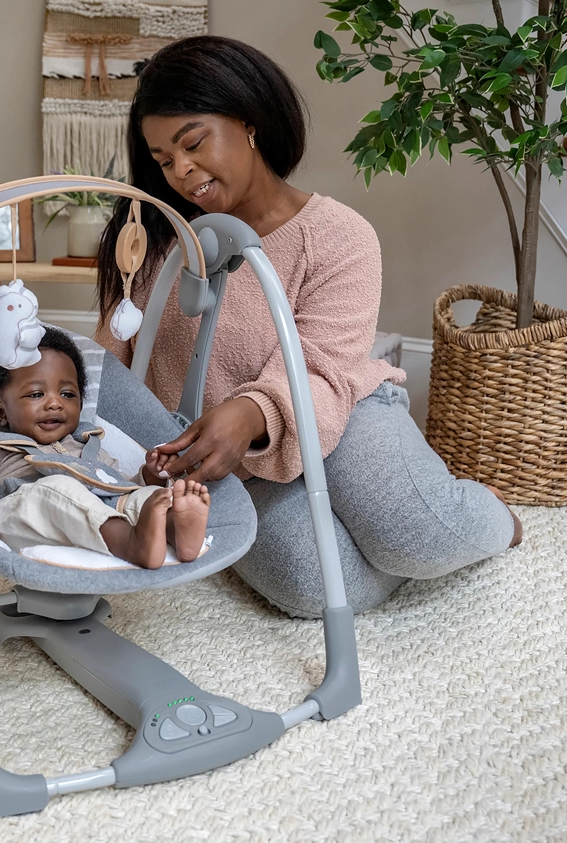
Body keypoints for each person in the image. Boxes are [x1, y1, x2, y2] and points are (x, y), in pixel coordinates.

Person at [93, 35, 522, 617]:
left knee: (420, 534)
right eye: (165, 160)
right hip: (229, 465)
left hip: (340, 411)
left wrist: (253, 413)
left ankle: (493, 514)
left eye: (193, 143)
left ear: (249, 123)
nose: (182, 170)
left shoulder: (338, 236)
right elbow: (114, 369)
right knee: (314, 587)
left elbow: (325, 369)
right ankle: (388, 543)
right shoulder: (151, 241)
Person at [0, 327, 210, 569]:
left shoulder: (87, 445)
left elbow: (119, 485)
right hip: (22, 511)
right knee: (58, 488)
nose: (55, 403)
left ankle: (175, 529)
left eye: (68, 394)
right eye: (36, 394)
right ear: (1, 412)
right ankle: (130, 543)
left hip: (98, 507)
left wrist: (149, 476)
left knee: (149, 497)